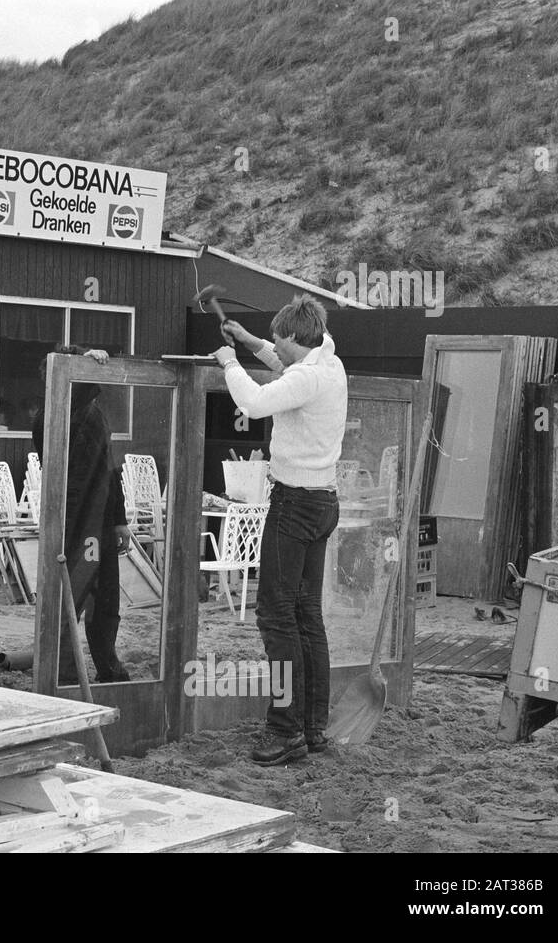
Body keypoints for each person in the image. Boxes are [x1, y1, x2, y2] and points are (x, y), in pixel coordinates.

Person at [214, 296, 347, 765]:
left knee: (276, 617)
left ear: (295, 337)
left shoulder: (307, 376)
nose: (279, 348)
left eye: (280, 341)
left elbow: (253, 401)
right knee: (308, 616)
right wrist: (252, 342)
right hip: (322, 501)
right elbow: (285, 364)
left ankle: (285, 729)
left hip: (294, 505)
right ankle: (313, 728)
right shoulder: (327, 359)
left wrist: (230, 361)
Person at [32, 345, 132, 685]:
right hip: (71, 521)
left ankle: (109, 668)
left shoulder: (94, 413)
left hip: (101, 520)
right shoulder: (49, 416)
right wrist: (87, 365)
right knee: (68, 598)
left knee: (105, 601)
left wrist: (119, 519)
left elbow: (111, 468)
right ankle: (66, 674)